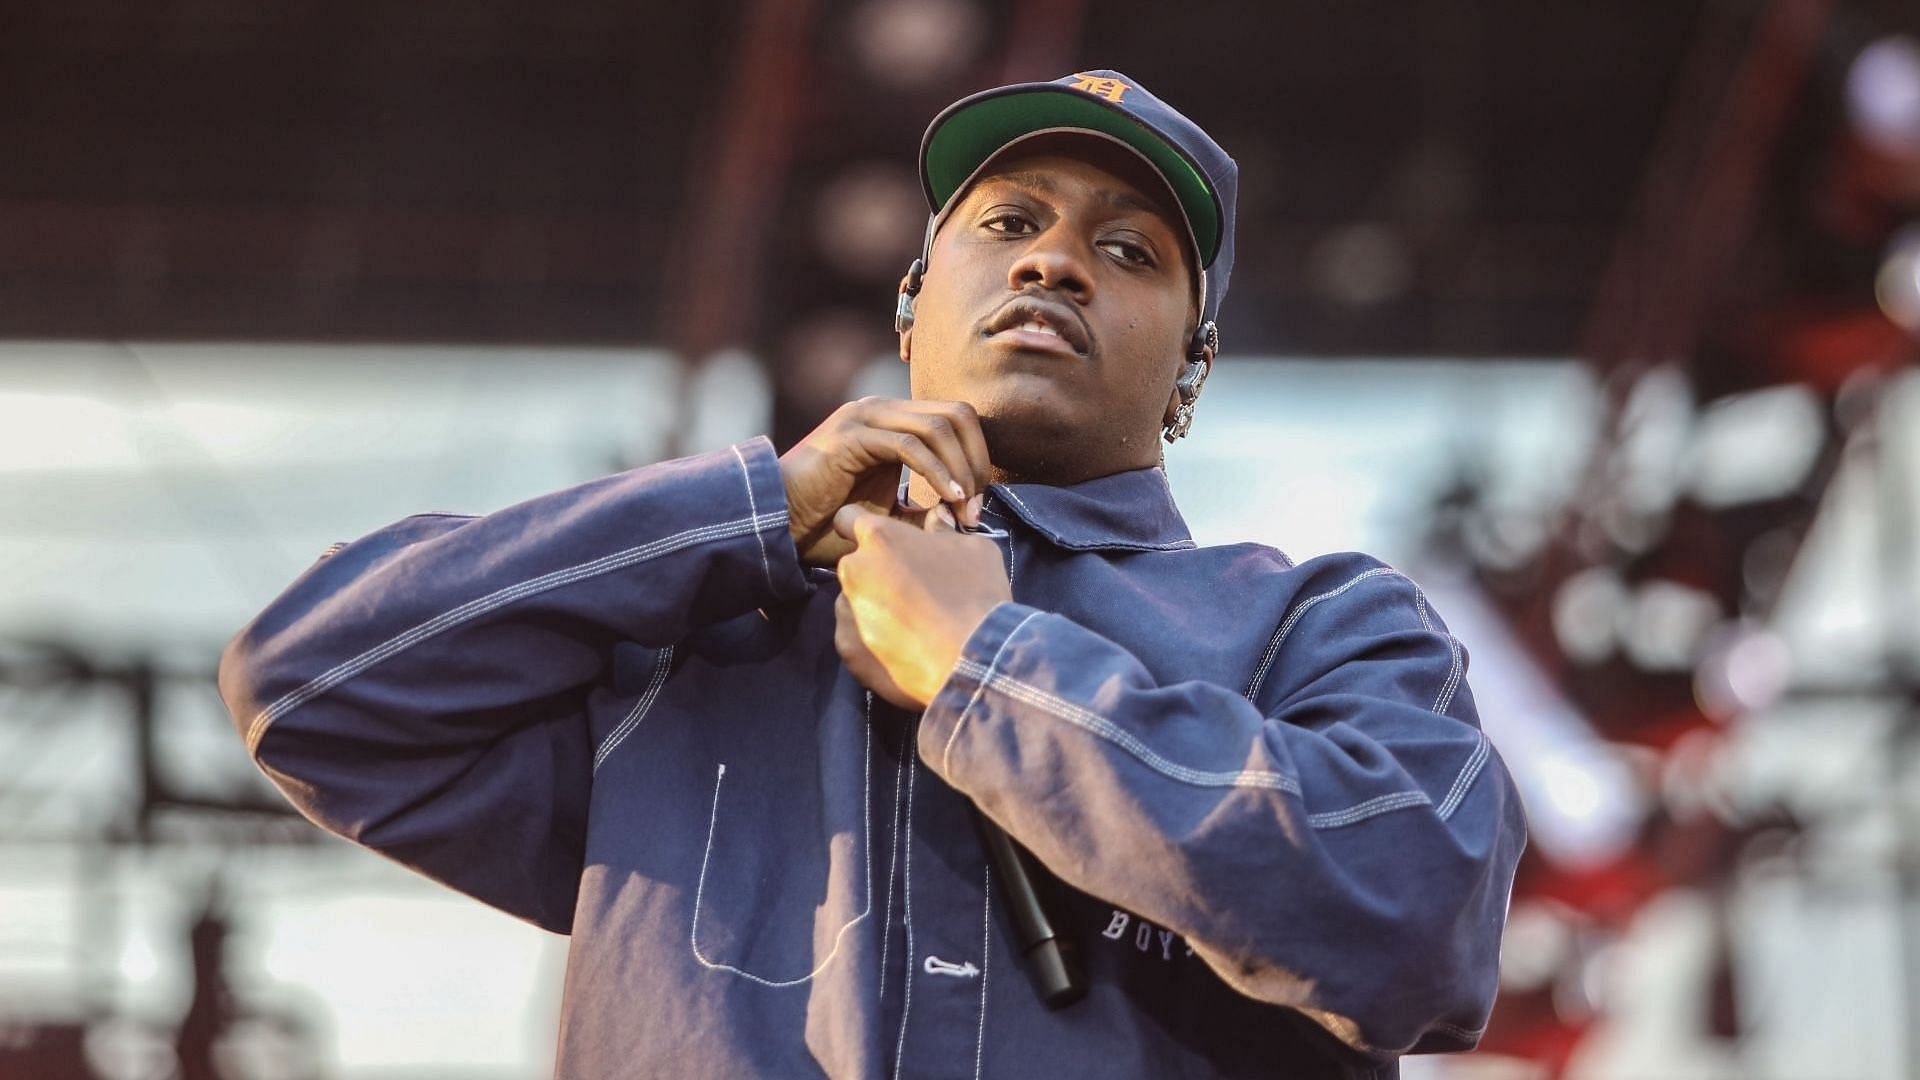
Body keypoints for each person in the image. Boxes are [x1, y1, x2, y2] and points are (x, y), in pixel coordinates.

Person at [219, 69, 1526, 1079]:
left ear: (1191, 369)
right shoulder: (694, 646)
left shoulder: (1318, 627)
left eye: (1129, 252)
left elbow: (1420, 920)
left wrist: (989, 671)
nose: (1053, 261)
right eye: (1009, 222)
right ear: (909, 302)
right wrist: (751, 508)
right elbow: (310, 689)